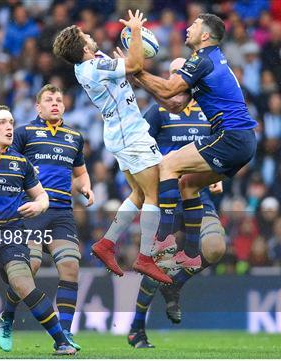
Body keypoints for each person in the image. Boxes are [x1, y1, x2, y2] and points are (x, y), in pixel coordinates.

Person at [130, 13, 257, 270]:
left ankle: (163, 239)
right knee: (187, 184)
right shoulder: (210, 60)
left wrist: (136, 70)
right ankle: (189, 253)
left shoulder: (202, 59)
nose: (188, 28)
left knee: (167, 166)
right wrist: (138, 78)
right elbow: (175, 104)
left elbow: (167, 89)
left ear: (206, 35)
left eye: (195, 25)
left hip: (230, 137)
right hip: (242, 140)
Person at [53, 10, 171, 283]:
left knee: (139, 195)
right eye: (87, 35)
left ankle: (106, 244)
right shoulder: (92, 69)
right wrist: (137, 31)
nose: (92, 36)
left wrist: (126, 62)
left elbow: (127, 70)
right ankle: (146, 257)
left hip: (121, 133)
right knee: (154, 195)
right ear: (83, 47)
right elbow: (136, 65)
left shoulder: (91, 63)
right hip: (131, 135)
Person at [0, 105, 77, 356]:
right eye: (2, 123)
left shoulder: (21, 162)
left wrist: (39, 206)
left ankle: (61, 341)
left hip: (12, 235)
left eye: (11, 122)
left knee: (23, 283)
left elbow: (42, 196)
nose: (9, 127)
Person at [127, 58, 226, 349]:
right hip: (166, 200)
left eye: (180, 74)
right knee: (157, 264)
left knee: (215, 248)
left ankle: (178, 283)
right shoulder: (157, 112)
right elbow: (136, 151)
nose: (176, 79)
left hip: (197, 196)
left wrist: (216, 175)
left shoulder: (208, 113)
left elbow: (219, 151)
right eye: (172, 74)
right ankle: (136, 329)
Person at [0, 84, 94, 352]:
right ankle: (8, 316)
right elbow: (7, 163)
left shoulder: (74, 136)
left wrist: (86, 186)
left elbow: (80, 172)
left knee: (71, 267)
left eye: (59, 100)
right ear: (38, 107)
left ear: (65, 105)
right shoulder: (24, 133)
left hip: (61, 211)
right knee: (32, 267)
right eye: (48, 100)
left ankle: (67, 333)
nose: (54, 103)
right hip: (31, 209)